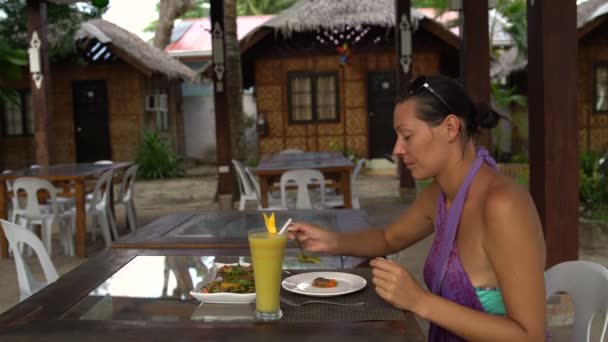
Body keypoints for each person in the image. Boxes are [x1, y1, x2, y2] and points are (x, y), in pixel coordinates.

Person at [288, 75, 547, 341]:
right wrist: (327, 241)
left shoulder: (503, 206)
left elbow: (530, 335)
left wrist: (419, 301)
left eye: (407, 136)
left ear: (450, 128)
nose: (397, 149)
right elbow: (387, 239)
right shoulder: (440, 195)